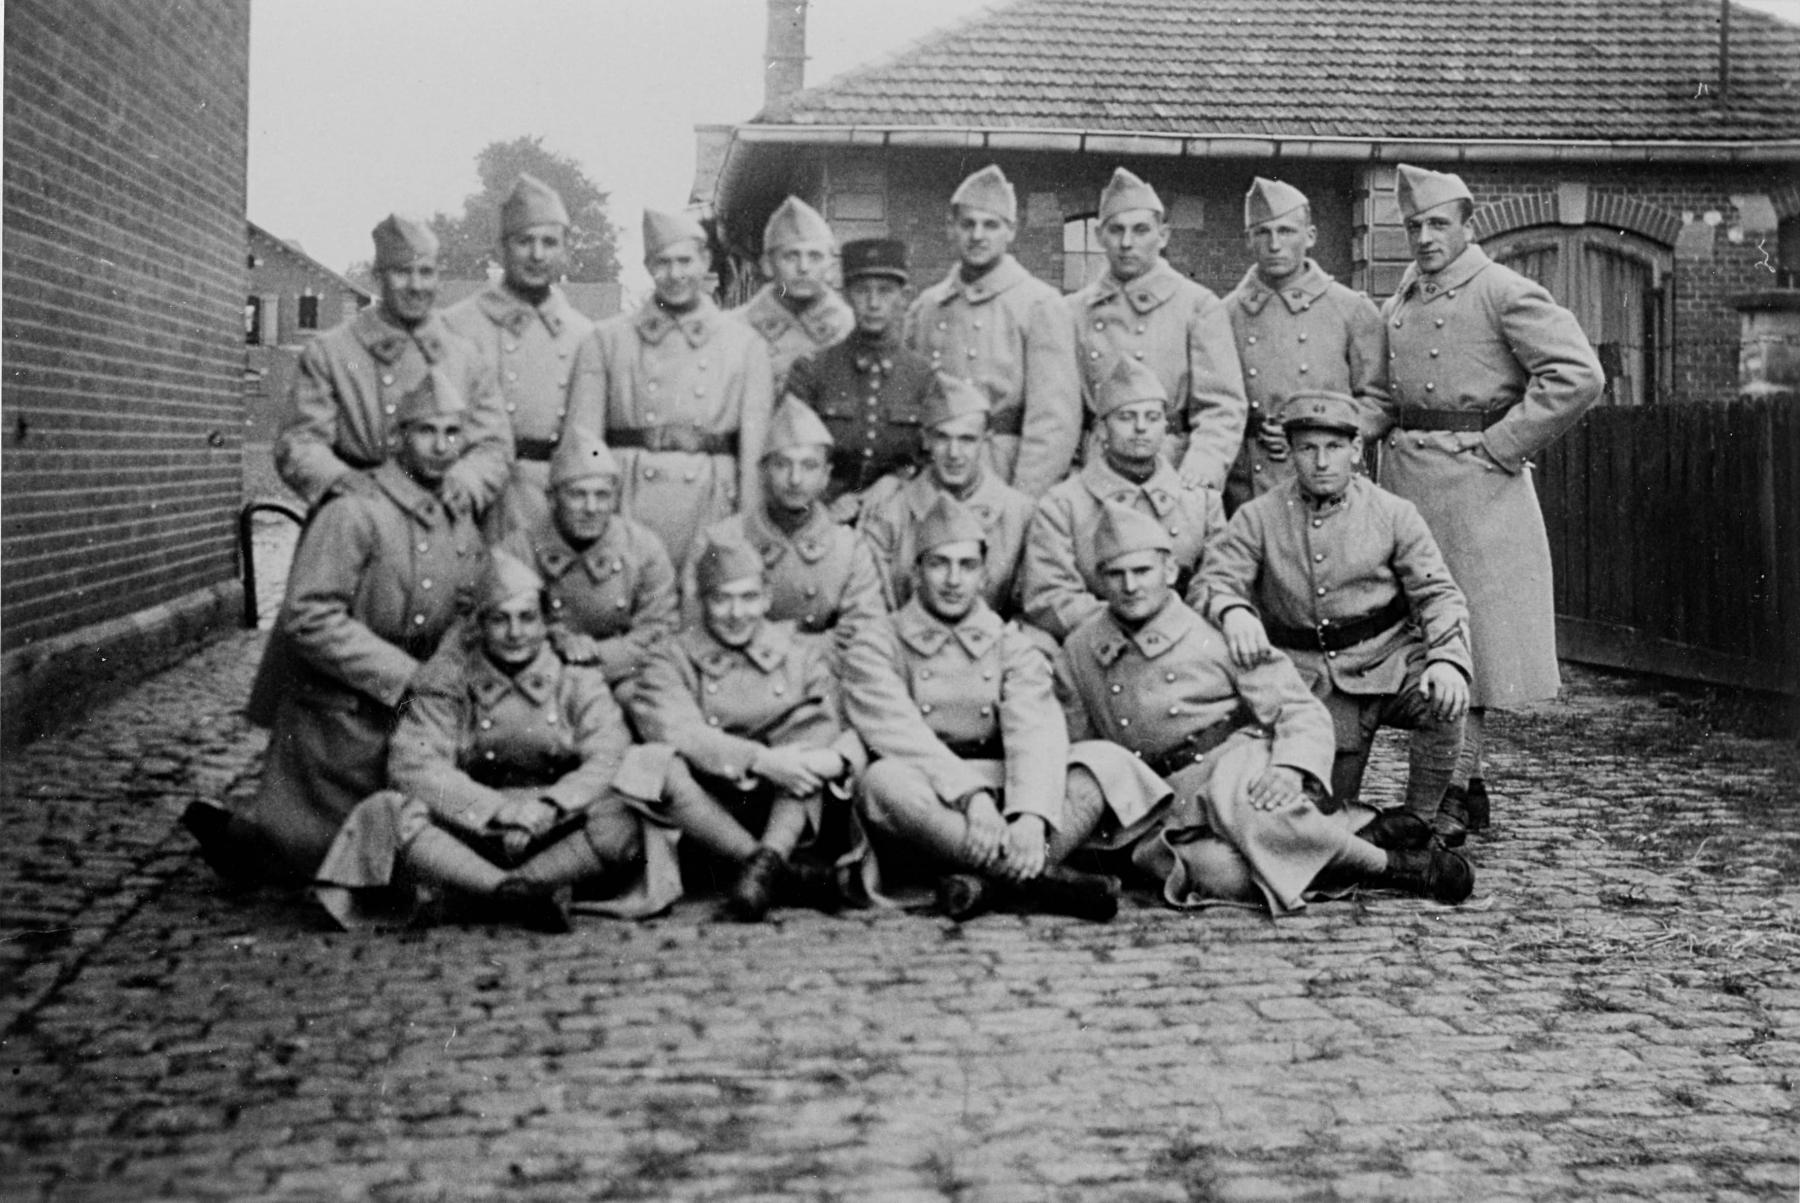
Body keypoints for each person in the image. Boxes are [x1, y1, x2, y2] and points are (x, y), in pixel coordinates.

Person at [1056, 502, 1475, 913]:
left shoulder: (1217, 631)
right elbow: (1077, 739)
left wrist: (1289, 767)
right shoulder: (1081, 648)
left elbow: (1301, 708)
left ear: (1168, 571)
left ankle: (1396, 868)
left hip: (1232, 765)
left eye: (1142, 571)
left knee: (1259, 812)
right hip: (1160, 800)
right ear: (1098, 580)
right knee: (1223, 873)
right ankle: (1352, 832)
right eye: (1116, 574)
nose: (1131, 586)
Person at [1374, 163, 1604, 835]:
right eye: (1414, 225)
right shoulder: (1406, 295)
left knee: (1466, 643)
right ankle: (1466, 784)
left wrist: (1503, 444)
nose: (1424, 237)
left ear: (1467, 225)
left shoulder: (1502, 289)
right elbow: (1396, 392)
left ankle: (1443, 797)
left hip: (1477, 492)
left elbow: (1578, 373)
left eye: (1437, 223)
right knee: (1421, 641)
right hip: (1408, 487)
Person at [188, 372, 487, 881]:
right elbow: (308, 616)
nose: (440, 447)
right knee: (335, 860)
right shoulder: (354, 512)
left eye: (452, 434)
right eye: (425, 432)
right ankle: (257, 844)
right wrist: (405, 676)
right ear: (397, 438)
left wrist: (447, 679)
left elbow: (468, 611)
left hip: (414, 714)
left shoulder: (456, 517)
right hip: (342, 716)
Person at [311, 550, 663, 932]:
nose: (516, 633)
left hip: (555, 826)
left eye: (528, 618)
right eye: (500, 619)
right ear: (479, 625)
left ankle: (482, 893)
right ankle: (514, 893)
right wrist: (498, 811)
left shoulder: (576, 679)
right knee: (388, 812)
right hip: (473, 824)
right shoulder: (448, 682)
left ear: (546, 623)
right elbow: (415, 764)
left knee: (629, 811)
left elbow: (609, 754)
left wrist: (551, 806)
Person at [1195, 392, 1473, 838]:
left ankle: (1420, 826)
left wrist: (1446, 657)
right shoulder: (1258, 516)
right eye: (1308, 448)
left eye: (1334, 447)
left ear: (1356, 450)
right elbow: (1213, 581)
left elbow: (1438, 593)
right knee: (1321, 823)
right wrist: (1232, 610)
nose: (1322, 461)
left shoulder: (1393, 513)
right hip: (1311, 685)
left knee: (1445, 701)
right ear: (1289, 452)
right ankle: (1353, 829)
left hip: (1387, 662)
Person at [844, 496, 1123, 921]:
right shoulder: (878, 641)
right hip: (934, 800)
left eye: (967, 566)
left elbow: (1035, 725)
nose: (953, 580)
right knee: (883, 782)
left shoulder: (1009, 641)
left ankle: (985, 883)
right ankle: (1039, 882)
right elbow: (897, 732)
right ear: (915, 571)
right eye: (939, 564)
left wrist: (1029, 813)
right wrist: (970, 797)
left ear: (984, 574)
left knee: (1101, 764)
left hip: (1005, 792)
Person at [629, 539, 867, 921]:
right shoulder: (670, 657)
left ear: (767, 598)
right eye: (722, 600)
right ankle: (772, 872)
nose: (737, 613)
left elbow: (832, 725)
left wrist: (817, 759)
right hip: (708, 811)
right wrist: (758, 759)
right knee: (653, 762)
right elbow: (676, 728)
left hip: (784, 810)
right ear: (701, 600)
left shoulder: (799, 655)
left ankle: (767, 864)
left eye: (749, 598)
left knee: (807, 749)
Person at [561, 207, 774, 566]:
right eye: (662, 263)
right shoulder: (606, 340)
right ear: (647, 267)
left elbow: (754, 453)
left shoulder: (744, 345)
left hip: (710, 501)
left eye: (685, 261)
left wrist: (747, 524)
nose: (675, 274)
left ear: (705, 261)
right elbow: (583, 446)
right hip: (629, 501)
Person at [274, 213, 511, 517]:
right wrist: (340, 479)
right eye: (402, 272)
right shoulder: (330, 353)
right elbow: (298, 442)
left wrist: (465, 482)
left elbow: (494, 445)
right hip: (357, 514)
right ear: (378, 276)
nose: (415, 285)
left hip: (442, 517)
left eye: (426, 272)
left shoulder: (466, 356)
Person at [903, 164, 1080, 498]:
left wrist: (1024, 498)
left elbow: (1054, 420)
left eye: (991, 225)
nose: (978, 235)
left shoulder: (1038, 305)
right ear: (951, 228)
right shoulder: (927, 307)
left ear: (1011, 231)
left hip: (1002, 469)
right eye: (967, 224)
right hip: (936, 471)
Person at [1020, 356, 1225, 642]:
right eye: (1126, 417)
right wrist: (1123, 626)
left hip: (1188, 643)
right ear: (1102, 429)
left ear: (1165, 427)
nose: (1141, 428)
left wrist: (1180, 628)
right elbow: (1050, 595)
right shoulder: (1063, 505)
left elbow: (1218, 581)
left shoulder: (1201, 501)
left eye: (1152, 417)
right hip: (1099, 645)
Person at [1068, 167, 1246, 492]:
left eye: (1140, 230)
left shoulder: (1197, 305)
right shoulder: (1073, 311)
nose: (1126, 243)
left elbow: (1222, 406)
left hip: (1170, 468)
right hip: (1094, 472)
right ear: (1098, 236)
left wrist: (1201, 467)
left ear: (1162, 235)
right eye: (1116, 230)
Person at [441, 174, 595, 538]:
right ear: (500, 249)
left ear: (565, 250)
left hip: (554, 506)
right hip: (473, 501)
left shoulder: (583, 334)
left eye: (549, 242)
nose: (537, 255)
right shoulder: (456, 326)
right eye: (525, 241)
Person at [1223, 177, 1388, 512]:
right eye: (1262, 232)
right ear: (1248, 240)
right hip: (1249, 482)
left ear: (1310, 236)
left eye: (1286, 231)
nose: (1274, 244)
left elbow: (1379, 402)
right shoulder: (1224, 314)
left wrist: (1317, 433)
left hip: (1332, 480)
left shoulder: (1351, 309)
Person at [683, 395, 884, 650]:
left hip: (822, 675)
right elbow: (695, 634)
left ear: (826, 476)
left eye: (809, 466)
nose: (795, 479)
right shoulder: (719, 540)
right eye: (782, 464)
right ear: (763, 471)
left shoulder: (849, 547)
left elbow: (866, 635)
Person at [500, 427, 679, 704]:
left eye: (602, 495)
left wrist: (598, 654)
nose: (591, 508)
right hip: (539, 676)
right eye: (578, 495)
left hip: (622, 675)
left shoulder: (643, 547)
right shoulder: (517, 550)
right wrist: (557, 641)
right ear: (551, 498)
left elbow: (660, 629)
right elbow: (493, 626)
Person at [858, 373, 1034, 616]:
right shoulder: (890, 514)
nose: (954, 453)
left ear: (986, 441)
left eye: (967, 439)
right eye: (942, 438)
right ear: (926, 440)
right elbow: (872, 611)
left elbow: (1030, 609)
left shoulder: (1019, 514)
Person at [785, 237, 936, 513]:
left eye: (886, 291)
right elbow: (792, 454)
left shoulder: (923, 376)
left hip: (899, 514)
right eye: (862, 291)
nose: (874, 303)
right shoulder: (812, 370)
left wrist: (897, 481)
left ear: (905, 297)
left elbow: (933, 460)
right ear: (845, 296)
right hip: (826, 513)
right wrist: (827, 500)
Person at [733, 195, 855, 391]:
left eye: (815, 256)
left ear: (831, 267)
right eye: (791, 256)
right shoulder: (736, 330)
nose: (803, 267)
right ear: (767, 265)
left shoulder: (849, 329)